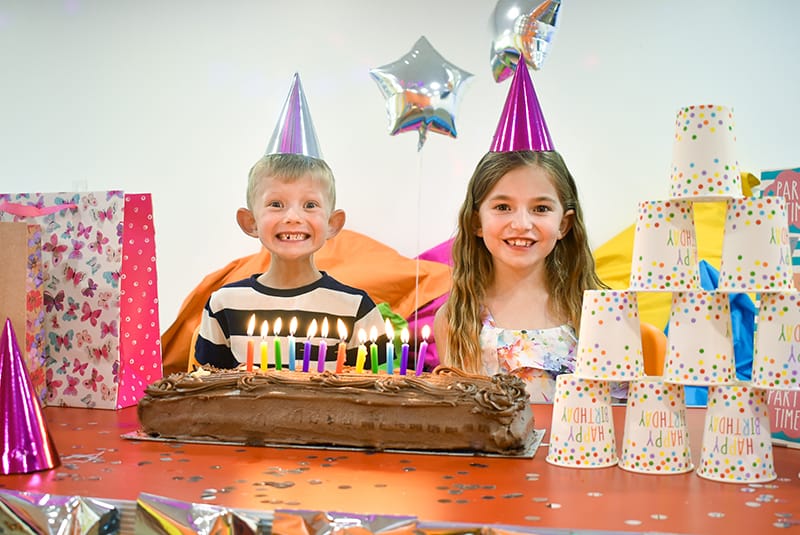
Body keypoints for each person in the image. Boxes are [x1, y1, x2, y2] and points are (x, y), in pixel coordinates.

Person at [434, 150, 608, 402]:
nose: (522, 223)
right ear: (476, 222)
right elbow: (462, 419)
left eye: (540, 208)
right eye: (503, 207)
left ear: (563, 225)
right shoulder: (457, 319)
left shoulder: (596, 312)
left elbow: (617, 412)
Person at [194, 152, 385, 369]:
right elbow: (204, 389)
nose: (293, 217)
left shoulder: (356, 308)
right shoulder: (224, 305)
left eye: (310, 205)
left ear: (332, 223)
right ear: (251, 222)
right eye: (276, 204)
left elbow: (378, 391)